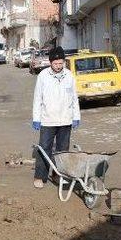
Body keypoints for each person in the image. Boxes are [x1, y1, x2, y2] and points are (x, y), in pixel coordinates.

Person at [32, 46, 81, 188]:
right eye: (56, 64)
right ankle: (40, 177)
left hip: (65, 119)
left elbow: (74, 98)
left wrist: (76, 116)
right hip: (48, 120)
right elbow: (37, 98)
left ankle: (59, 175)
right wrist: (37, 118)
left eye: (61, 63)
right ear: (50, 62)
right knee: (44, 148)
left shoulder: (69, 75)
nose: (59, 66)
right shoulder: (43, 76)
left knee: (62, 150)